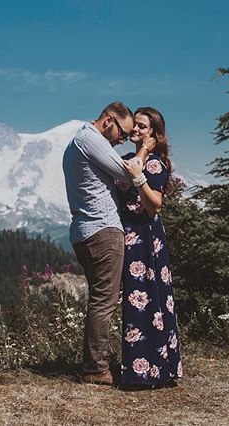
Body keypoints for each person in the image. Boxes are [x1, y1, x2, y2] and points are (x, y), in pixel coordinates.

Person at [62, 102, 153, 386]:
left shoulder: (78, 142)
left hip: (84, 230)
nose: (122, 140)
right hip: (102, 230)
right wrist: (145, 150)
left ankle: (96, 363)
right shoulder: (90, 138)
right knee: (104, 301)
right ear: (108, 122)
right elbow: (129, 174)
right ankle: (95, 368)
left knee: (101, 299)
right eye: (122, 134)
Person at [118, 107, 182, 386]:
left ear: (153, 134)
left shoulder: (155, 164)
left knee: (149, 297)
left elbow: (154, 204)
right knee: (137, 298)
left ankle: (153, 370)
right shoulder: (131, 159)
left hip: (145, 235)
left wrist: (139, 177)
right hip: (131, 234)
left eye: (143, 127)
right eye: (135, 125)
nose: (136, 130)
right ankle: (142, 369)